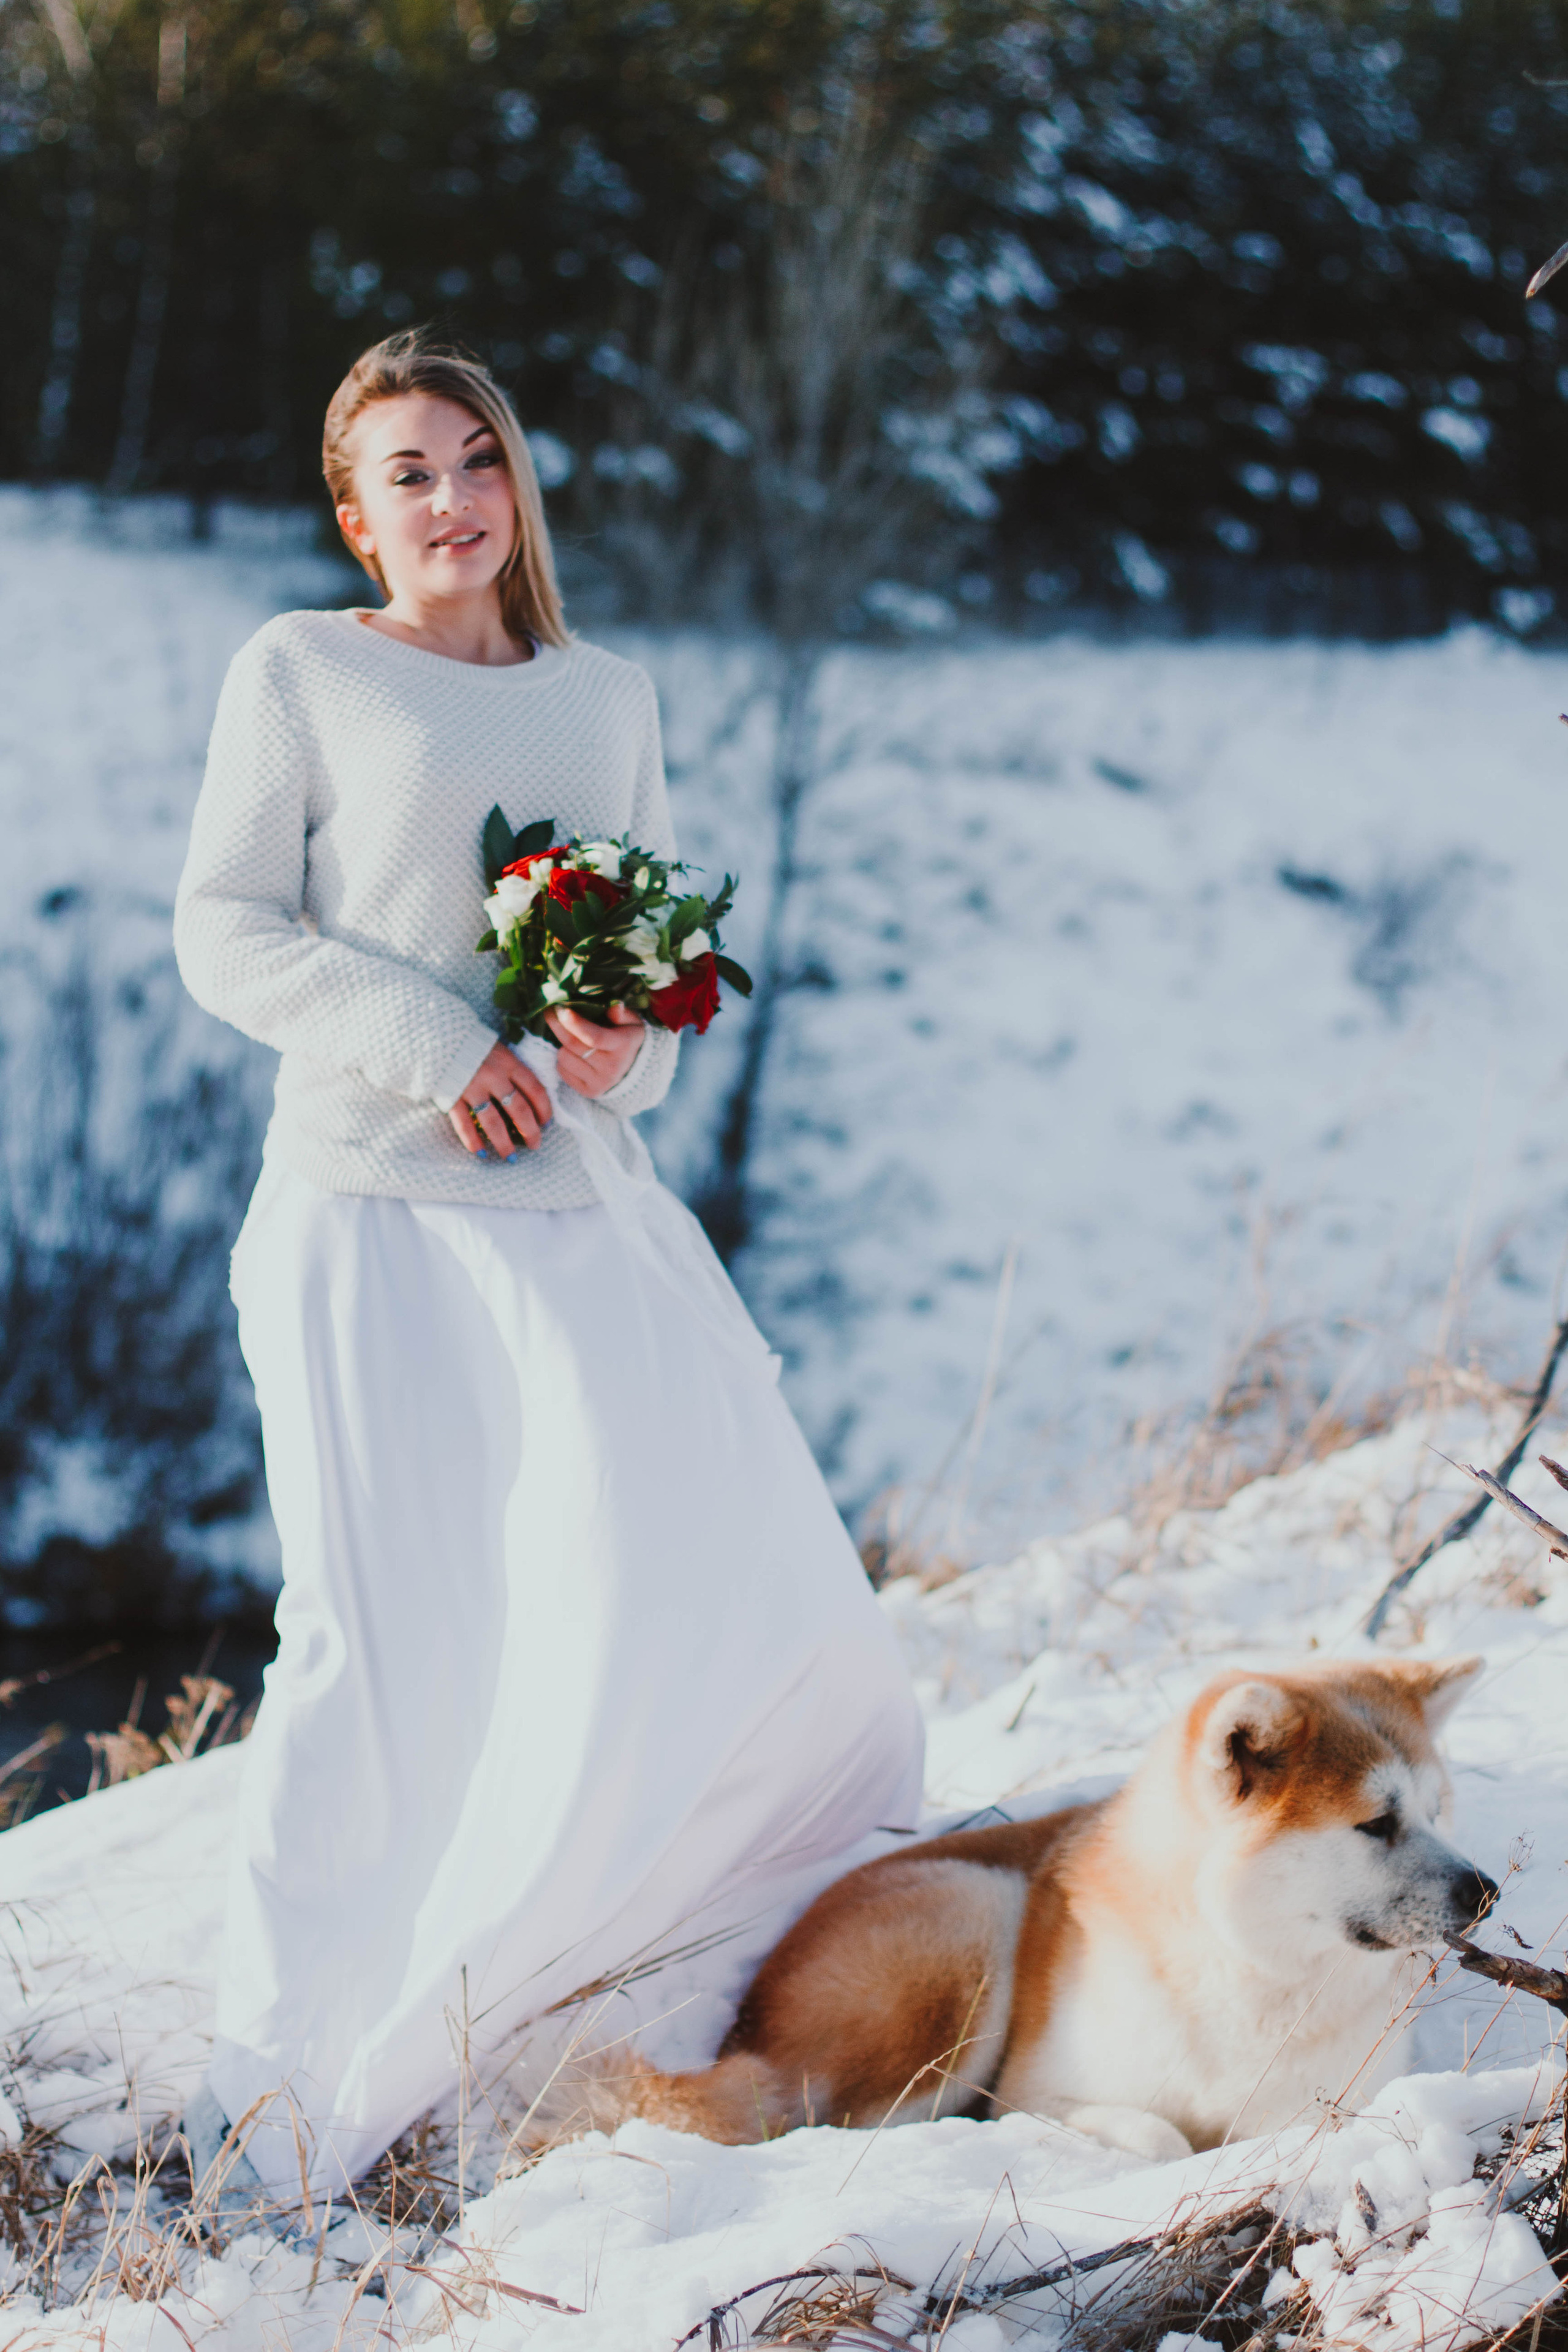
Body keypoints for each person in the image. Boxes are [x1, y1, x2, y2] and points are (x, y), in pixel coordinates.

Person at [172, 330, 924, 2203]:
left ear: (520, 486)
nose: (450, 498)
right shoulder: (301, 671)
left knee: (723, 1597)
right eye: (407, 473)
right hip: (369, 1217)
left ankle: (591, 1994)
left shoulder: (610, 698)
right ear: (357, 519)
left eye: (475, 459)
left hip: (584, 1220)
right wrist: (447, 1050)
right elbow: (226, 931)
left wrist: (620, 1056)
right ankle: (283, 2087)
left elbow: (648, 986)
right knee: (372, 1645)